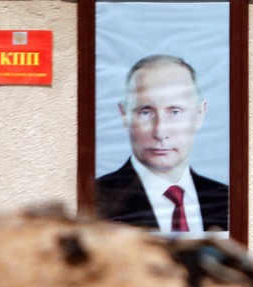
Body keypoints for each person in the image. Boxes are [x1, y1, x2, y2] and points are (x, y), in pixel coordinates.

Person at [95, 54, 228, 233]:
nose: (160, 132)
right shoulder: (96, 200)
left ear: (199, 115)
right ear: (124, 115)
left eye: (174, 111)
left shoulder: (226, 200)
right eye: (145, 112)